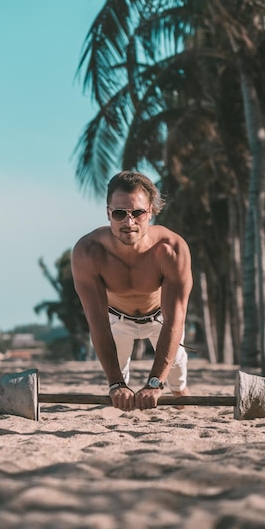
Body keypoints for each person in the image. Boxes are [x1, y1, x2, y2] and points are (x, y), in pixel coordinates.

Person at [71, 170, 193, 411]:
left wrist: (155, 383)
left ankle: (181, 396)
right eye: (119, 214)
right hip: (116, 321)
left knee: (178, 385)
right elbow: (98, 323)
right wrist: (116, 383)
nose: (129, 223)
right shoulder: (88, 252)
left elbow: (174, 321)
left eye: (137, 213)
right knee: (118, 392)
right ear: (108, 213)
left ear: (151, 211)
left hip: (160, 319)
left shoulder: (171, 249)